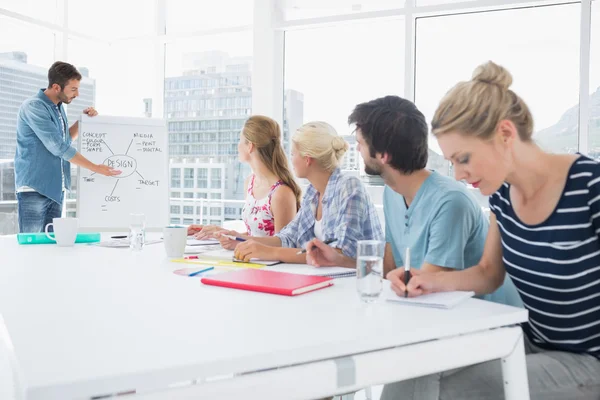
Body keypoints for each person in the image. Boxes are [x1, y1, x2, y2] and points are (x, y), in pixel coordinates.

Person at [382, 62, 600, 399]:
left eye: (464, 158)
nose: (458, 175)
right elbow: (488, 273)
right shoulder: (502, 196)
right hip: (530, 341)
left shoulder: (590, 186)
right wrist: (426, 278)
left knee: (452, 391)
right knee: (413, 369)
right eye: (452, 162)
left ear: (506, 134)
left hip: (589, 361)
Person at [305, 95, 521, 307]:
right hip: (436, 313)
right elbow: (389, 269)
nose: (358, 149)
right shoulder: (392, 193)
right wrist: (338, 260)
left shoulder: (450, 202)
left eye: (361, 143)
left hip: (483, 321)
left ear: (384, 155)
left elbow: (425, 285)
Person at [231, 121, 383, 264]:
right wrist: (239, 240)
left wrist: (271, 253)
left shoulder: (349, 187)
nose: (290, 159)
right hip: (328, 280)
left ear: (307, 159)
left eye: (293, 154)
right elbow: (288, 237)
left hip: (360, 283)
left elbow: (341, 253)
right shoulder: (312, 193)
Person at [15, 61, 120, 233]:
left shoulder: (58, 108)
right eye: (73, 89)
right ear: (56, 87)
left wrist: (82, 122)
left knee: (51, 248)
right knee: (31, 246)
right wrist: (96, 168)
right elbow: (58, 147)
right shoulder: (34, 106)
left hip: (56, 189)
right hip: (34, 188)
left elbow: (64, 140)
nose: (77, 94)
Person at [187, 115, 301, 247]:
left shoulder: (281, 193)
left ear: (250, 146)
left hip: (272, 264)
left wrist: (238, 242)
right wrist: (221, 233)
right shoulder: (250, 183)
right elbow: (256, 234)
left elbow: (284, 244)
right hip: (252, 259)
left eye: (240, 140)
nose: (237, 146)